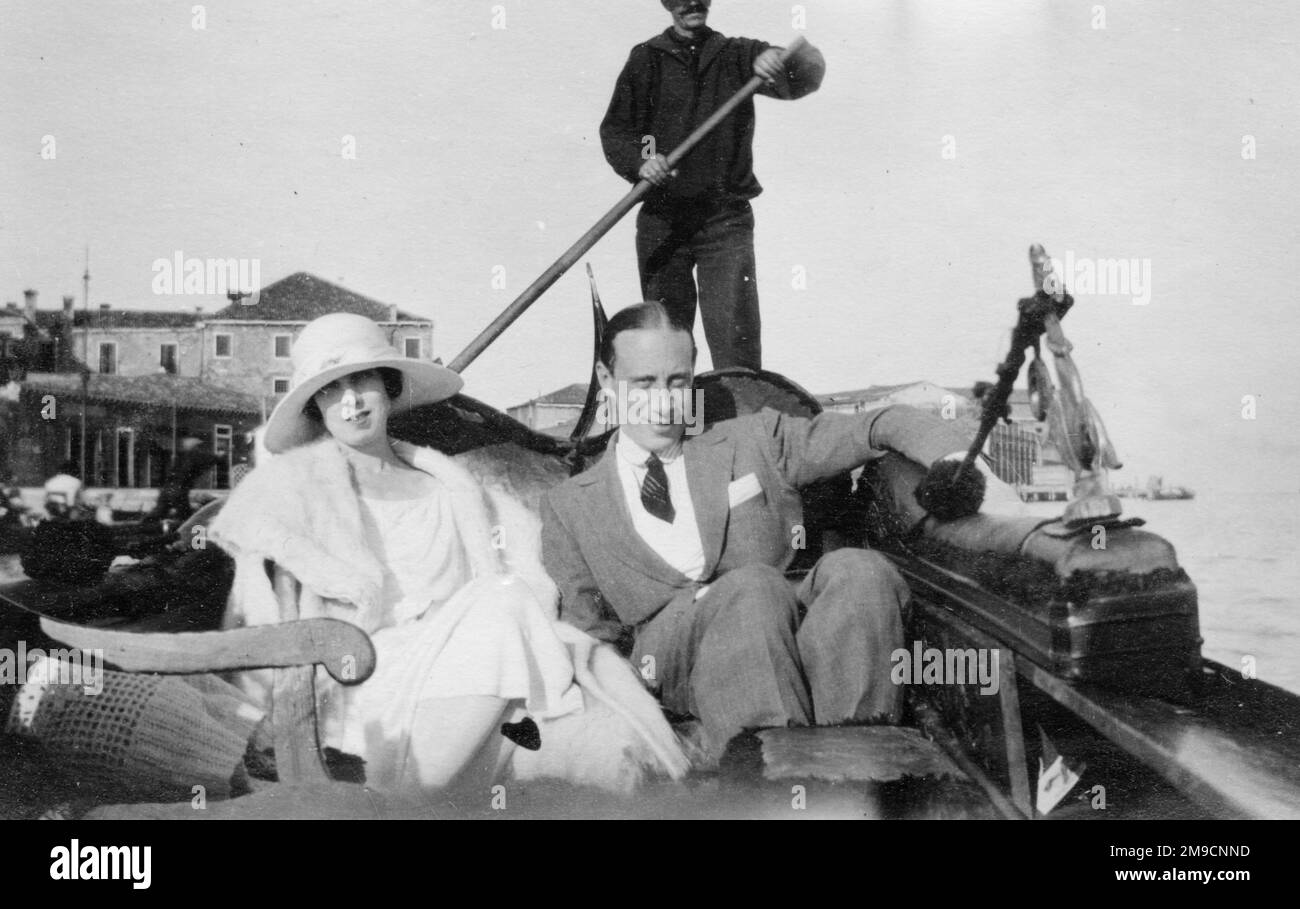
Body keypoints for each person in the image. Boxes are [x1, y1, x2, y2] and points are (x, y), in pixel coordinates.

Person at [208, 313, 687, 801]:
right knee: (502, 605)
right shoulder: (298, 491)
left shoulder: (447, 485)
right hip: (363, 675)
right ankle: (404, 803)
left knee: (597, 739)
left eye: (362, 381)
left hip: (461, 677)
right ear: (317, 407)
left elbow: (503, 581)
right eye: (333, 391)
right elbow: (269, 625)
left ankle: (415, 792)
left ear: (388, 387)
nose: (351, 402)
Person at [540, 302, 1008, 760]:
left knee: (859, 571)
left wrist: (959, 467)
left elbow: (878, 426)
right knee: (750, 585)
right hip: (673, 663)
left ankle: (855, 770)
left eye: (677, 381)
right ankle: (774, 782)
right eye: (643, 383)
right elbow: (589, 641)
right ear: (607, 381)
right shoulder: (569, 505)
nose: (664, 401)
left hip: (783, 631)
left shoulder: (753, 439)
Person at [599, 0, 826, 371]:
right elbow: (620, 132)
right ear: (667, 4)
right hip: (663, 220)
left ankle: (739, 425)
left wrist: (778, 58)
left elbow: (810, 72)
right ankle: (681, 425)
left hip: (725, 220)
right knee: (665, 341)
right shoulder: (646, 59)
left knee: (735, 335)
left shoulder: (737, 54)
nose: (692, 3)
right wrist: (646, 159)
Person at [148, 436, 219, 524]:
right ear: (195, 447)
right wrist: (219, 456)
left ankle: (143, 528)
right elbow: (208, 459)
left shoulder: (181, 457)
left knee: (159, 511)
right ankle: (184, 532)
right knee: (184, 516)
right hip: (179, 489)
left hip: (167, 489)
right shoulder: (193, 456)